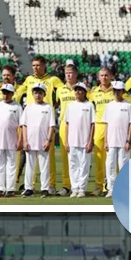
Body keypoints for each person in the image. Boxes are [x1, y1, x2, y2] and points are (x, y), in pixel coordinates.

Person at [16, 56, 64, 195]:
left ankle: (49, 185)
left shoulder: (52, 79)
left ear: (44, 66)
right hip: (31, 121)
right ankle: (30, 186)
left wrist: (56, 104)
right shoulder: (29, 79)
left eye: (38, 65)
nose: (35, 68)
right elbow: (19, 90)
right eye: (33, 65)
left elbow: (63, 91)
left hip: (45, 120)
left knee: (48, 160)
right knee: (31, 161)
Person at [90, 68, 129, 196]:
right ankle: (99, 185)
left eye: (106, 75)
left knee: (116, 159)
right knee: (99, 158)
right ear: (98, 77)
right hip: (99, 125)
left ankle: (115, 185)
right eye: (102, 75)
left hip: (114, 126)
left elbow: (128, 104)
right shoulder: (94, 92)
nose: (104, 77)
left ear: (110, 76)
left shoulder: (117, 90)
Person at [21, 82, 55, 198]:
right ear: (32, 94)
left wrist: (48, 140)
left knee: (44, 166)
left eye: (40, 93)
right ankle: (28, 188)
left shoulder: (48, 108)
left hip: (43, 141)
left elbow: (51, 126)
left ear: (44, 94)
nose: (38, 95)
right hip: (30, 141)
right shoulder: (28, 108)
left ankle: (45, 189)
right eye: (35, 93)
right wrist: (25, 141)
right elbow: (24, 125)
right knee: (29, 166)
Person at [0, 83, 22, 197]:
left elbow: (21, 125)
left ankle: (10, 189)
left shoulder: (17, 107)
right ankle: (0, 188)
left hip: (12, 139)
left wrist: (20, 140)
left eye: (8, 93)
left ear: (12, 94)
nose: (5, 95)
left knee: (11, 165)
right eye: (4, 92)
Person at [65, 82, 95, 198]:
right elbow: (67, 124)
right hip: (72, 141)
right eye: (76, 90)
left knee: (84, 166)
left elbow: (93, 124)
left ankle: (82, 189)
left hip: (84, 141)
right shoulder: (70, 106)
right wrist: (66, 141)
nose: (77, 92)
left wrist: (90, 141)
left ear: (84, 92)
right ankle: (74, 188)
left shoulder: (89, 105)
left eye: (80, 90)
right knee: (73, 166)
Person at [103, 81, 131, 198]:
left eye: (119, 90)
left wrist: (128, 140)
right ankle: (111, 189)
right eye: (115, 90)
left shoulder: (128, 105)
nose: (116, 93)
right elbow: (106, 124)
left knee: (123, 166)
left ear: (123, 91)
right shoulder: (109, 105)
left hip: (123, 141)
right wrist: (106, 141)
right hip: (111, 141)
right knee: (110, 165)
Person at [56, 60, 79, 196]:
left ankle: (79, 185)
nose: (68, 75)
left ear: (76, 74)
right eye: (66, 73)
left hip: (79, 125)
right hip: (65, 124)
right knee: (65, 157)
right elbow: (54, 104)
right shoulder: (60, 90)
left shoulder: (82, 89)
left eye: (71, 73)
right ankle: (66, 185)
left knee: (79, 157)